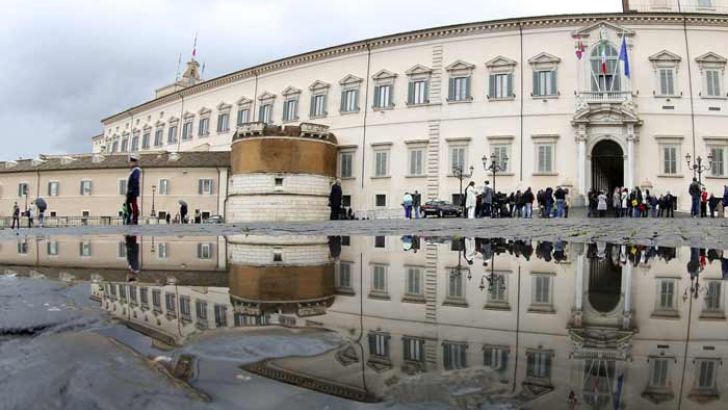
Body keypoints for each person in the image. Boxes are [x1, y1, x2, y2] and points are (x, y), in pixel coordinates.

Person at [126, 155, 142, 225]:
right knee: (129, 204)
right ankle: (132, 217)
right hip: (131, 190)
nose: (130, 164)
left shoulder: (136, 170)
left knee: (134, 204)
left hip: (133, 190)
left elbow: (135, 180)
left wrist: (131, 190)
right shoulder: (133, 170)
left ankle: (134, 218)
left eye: (131, 162)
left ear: (135, 162)